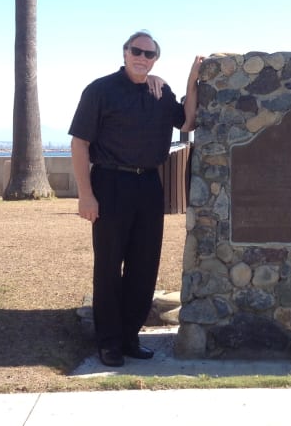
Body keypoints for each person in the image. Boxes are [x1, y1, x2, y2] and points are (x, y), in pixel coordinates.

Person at [69, 30, 203, 367]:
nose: (142, 58)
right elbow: (79, 143)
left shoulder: (160, 92)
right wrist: (86, 196)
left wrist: (191, 80)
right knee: (109, 266)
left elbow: (186, 120)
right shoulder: (100, 91)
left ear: (156, 58)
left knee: (144, 266)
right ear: (125, 52)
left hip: (148, 187)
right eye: (136, 51)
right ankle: (109, 342)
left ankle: (130, 337)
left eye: (149, 54)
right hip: (110, 183)